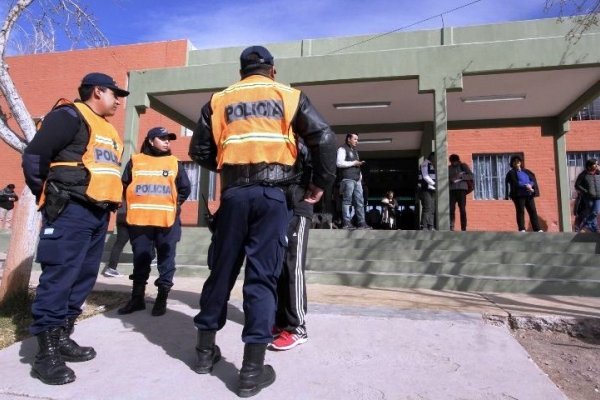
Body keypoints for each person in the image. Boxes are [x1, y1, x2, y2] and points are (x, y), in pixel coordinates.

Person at [189, 45, 336, 397]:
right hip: (274, 195)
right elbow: (325, 138)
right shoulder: (288, 95)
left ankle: (204, 355)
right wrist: (319, 184)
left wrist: (232, 169)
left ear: (241, 72)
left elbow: (199, 152)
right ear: (272, 70)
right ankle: (251, 372)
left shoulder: (219, 100)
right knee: (262, 278)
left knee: (221, 271)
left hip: (234, 194)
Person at [22, 72, 129, 385]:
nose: (119, 100)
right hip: (70, 211)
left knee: (81, 279)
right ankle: (46, 355)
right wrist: (48, 194)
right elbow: (34, 157)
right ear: (97, 91)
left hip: (97, 214)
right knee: (60, 278)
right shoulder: (69, 116)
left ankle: (63, 337)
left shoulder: (109, 130)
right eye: (115, 93)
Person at [118, 127, 191, 317]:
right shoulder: (136, 161)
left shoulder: (174, 162)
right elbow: (124, 186)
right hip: (140, 221)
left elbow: (185, 189)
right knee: (141, 258)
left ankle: (161, 298)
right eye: (162, 138)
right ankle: (137, 298)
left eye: (169, 138)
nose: (167, 141)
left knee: (166, 261)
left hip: (167, 221)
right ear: (150, 141)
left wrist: (172, 204)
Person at [271, 139, 312, 351]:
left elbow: (322, 158)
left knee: (292, 266)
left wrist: (316, 188)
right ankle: (281, 321)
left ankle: (297, 327)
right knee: (279, 267)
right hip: (279, 208)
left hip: (297, 208)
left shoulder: (301, 136)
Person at [101, 201, 157, 278]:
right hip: (134, 215)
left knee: (119, 243)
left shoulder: (121, 188)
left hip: (121, 215)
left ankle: (111, 268)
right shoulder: (135, 188)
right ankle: (150, 258)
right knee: (140, 239)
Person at [336, 133, 370, 230]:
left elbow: (356, 165)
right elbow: (339, 163)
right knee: (347, 201)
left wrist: (360, 177)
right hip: (347, 179)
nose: (357, 141)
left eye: (357, 139)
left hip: (357, 180)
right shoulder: (342, 149)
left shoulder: (355, 151)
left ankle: (361, 223)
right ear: (348, 139)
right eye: (355, 139)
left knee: (360, 201)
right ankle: (346, 222)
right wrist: (353, 163)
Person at [504, 155, 542, 232]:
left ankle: (537, 229)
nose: (516, 162)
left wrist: (530, 185)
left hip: (529, 194)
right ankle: (522, 228)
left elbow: (532, 180)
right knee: (520, 211)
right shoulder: (511, 173)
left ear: (520, 162)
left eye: (518, 161)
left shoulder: (526, 171)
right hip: (518, 195)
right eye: (514, 161)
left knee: (533, 211)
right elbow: (516, 183)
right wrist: (526, 186)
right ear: (512, 163)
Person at [448, 154, 473, 231]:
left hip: (462, 189)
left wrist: (461, 177)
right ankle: (451, 226)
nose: (453, 164)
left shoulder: (463, 166)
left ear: (457, 161)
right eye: (451, 162)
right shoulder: (449, 168)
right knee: (451, 208)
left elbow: (471, 176)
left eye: (454, 162)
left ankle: (463, 227)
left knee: (462, 209)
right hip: (452, 190)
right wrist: (450, 179)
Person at [574, 158, 600, 232]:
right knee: (592, 212)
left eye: (597, 164)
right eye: (595, 164)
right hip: (588, 197)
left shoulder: (598, 173)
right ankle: (595, 229)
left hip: (598, 197)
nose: (597, 165)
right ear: (589, 166)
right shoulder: (583, 175)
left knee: (596, 212)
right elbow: (577, 185)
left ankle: (585, 225)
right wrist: (586, 191)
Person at [417, 152, 436, 230]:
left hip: (431, 189)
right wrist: (434, 183)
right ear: (432, 157)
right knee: (427, 207)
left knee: (432, 208)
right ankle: (424, 226)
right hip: (425, 189)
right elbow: (425, 176)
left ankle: (430, 226)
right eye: (435, 157)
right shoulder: (425, 163)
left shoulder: (431, 164)